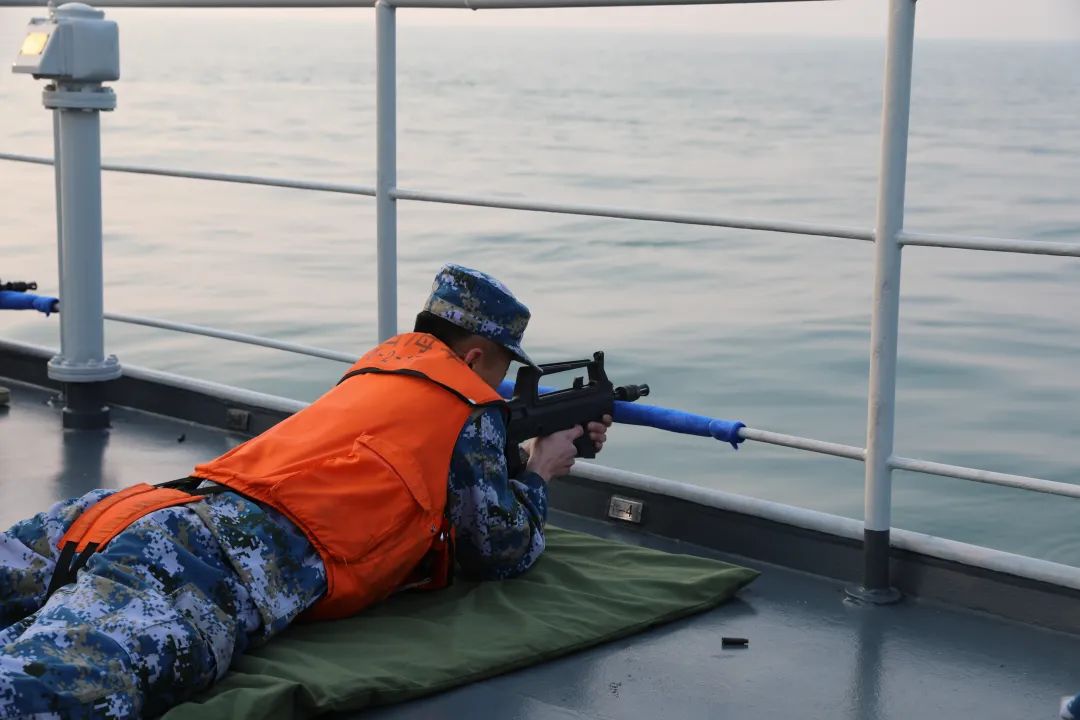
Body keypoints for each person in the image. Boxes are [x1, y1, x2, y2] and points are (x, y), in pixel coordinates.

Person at [0, 264, 611, 719]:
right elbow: (500, 550)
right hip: (215, 563)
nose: (500, 387)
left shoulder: (380, 371)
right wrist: (540, 472)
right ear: (476, 356)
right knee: (52, 694)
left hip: (147, 508)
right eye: (504, 368)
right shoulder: (466, 402)